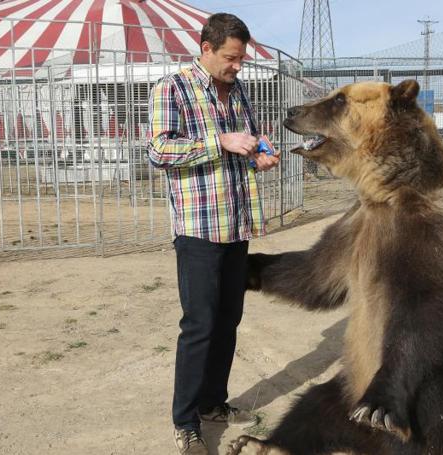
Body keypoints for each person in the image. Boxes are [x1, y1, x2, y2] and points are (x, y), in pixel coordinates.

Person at [148, 12, 280, 455]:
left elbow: (249, 139)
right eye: (231, 58)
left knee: (228, 322)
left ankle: (211, 403)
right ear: (205, 48)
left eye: (241, 59)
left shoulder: (238, 90)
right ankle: (185, 423)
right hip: (199, 229)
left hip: (237, 224)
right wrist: (219, 142)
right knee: (199, 326)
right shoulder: (174, 88)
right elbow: (160, 150)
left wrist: (258, 153)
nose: (237, 66)